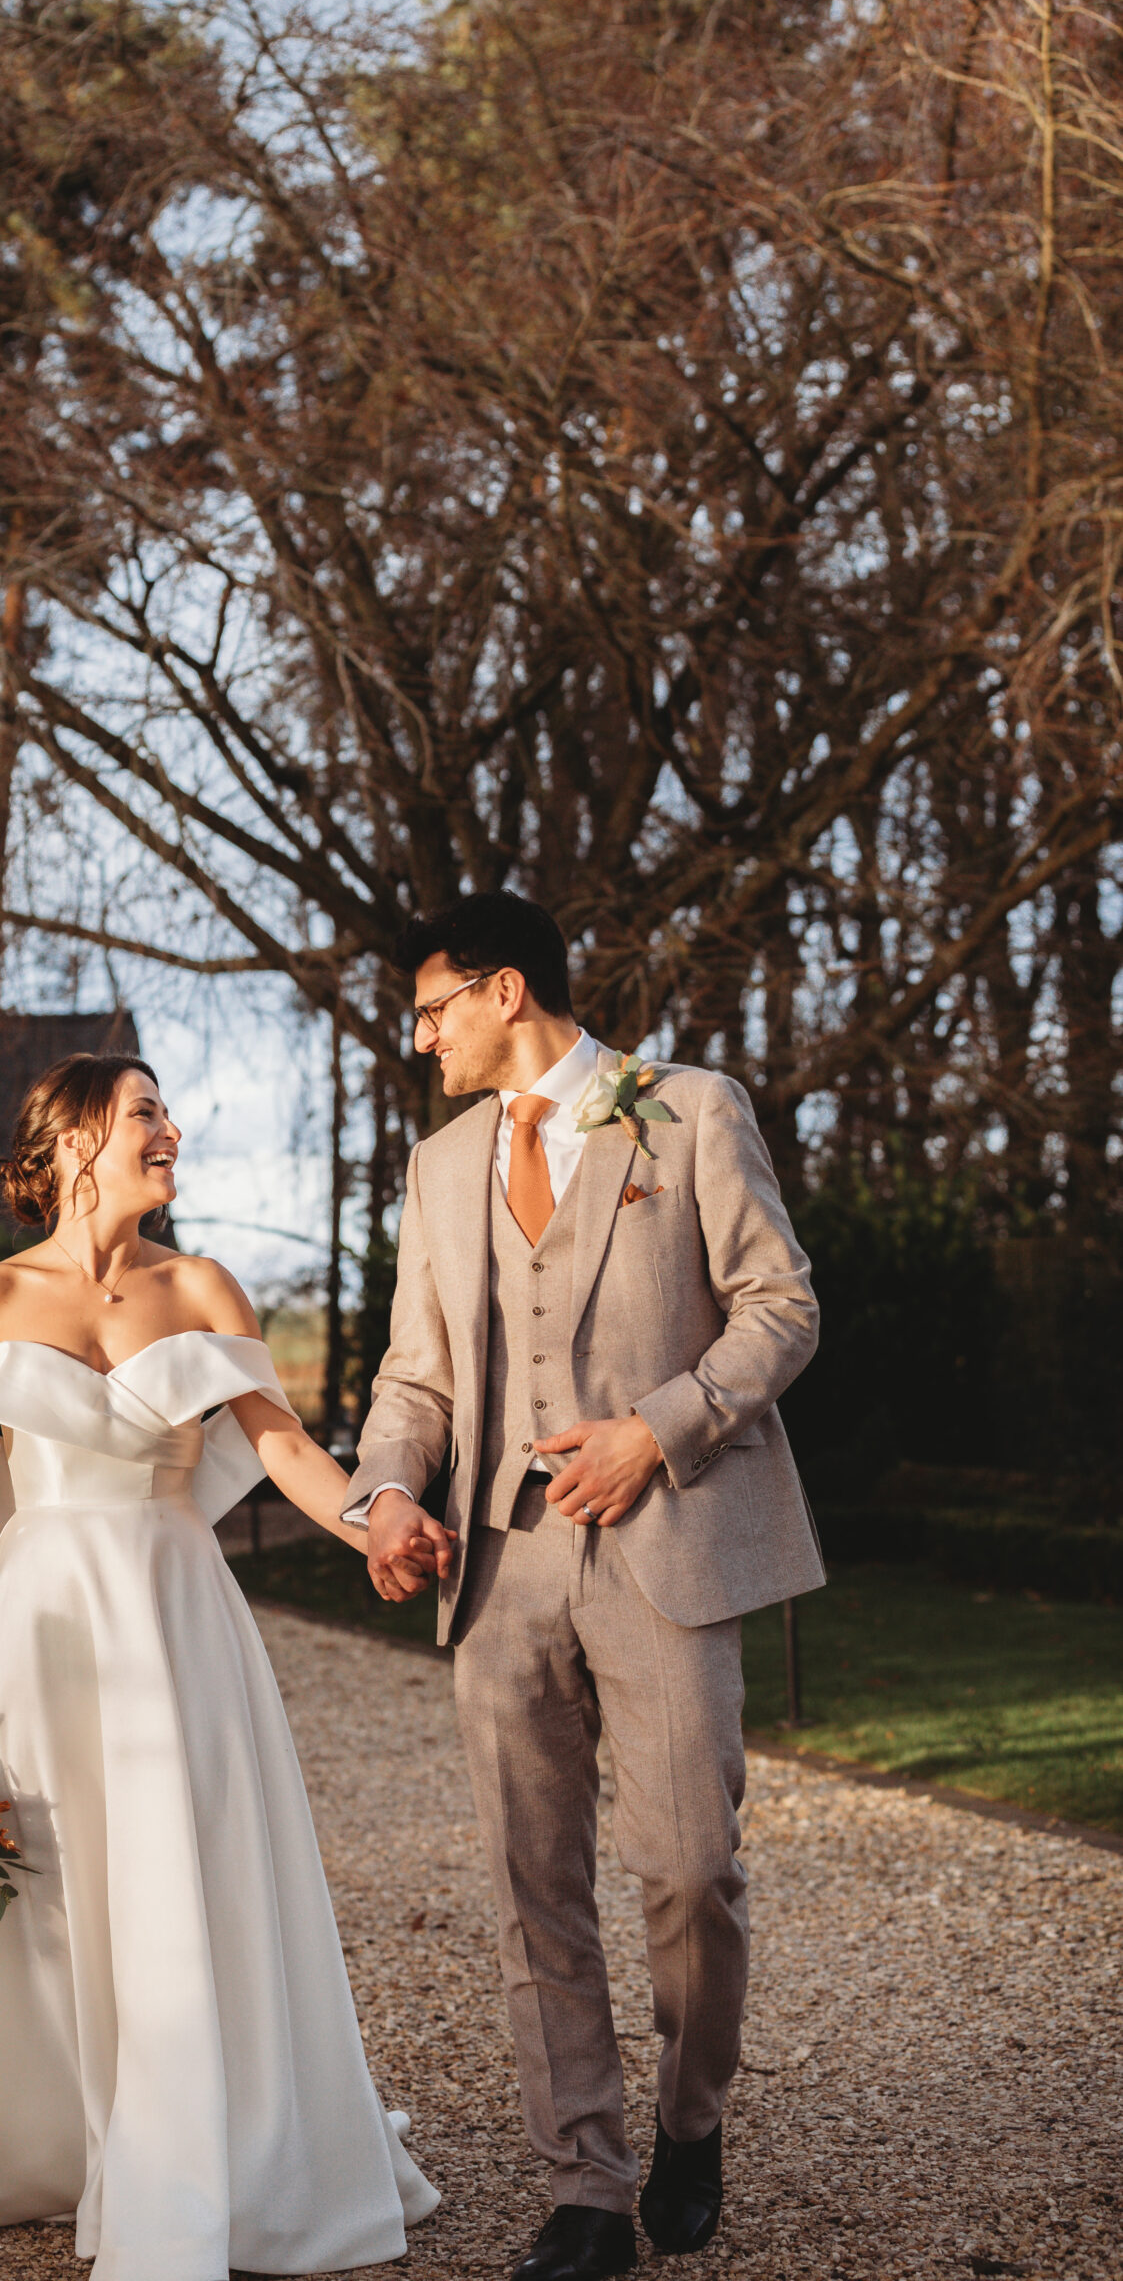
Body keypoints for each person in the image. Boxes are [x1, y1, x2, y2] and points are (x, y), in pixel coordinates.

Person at [0, 1050, 438, 2280]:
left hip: (179, 1612)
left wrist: (375, 1522)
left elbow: (281, 1447)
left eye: (167, 1111)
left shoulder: (206, 1284)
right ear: (72, 1141)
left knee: (195, 1855)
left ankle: (198, 2145)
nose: (171, 1129)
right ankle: (65, 2136)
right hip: (44, 1624)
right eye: (145, 1113)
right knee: (62, 1876)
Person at [344, 893, 823, 2281]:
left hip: (666, 1542)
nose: (417, 1036)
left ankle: (690, 2119)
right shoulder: (437, 1166)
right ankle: (583, 2191)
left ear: (502, 991)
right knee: (528, 1884)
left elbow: (779, 1304)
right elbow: (413, 1376)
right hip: (498, 1566)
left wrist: (654, 1428)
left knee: (689, 1872)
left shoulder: (686, 1108)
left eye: (430, 1008)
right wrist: (385, 1491)